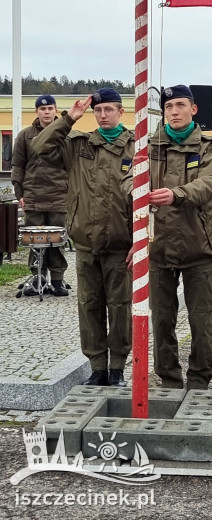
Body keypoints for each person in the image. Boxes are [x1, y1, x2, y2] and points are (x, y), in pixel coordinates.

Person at [125, 85, 212, 390]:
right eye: (169, 106)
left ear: (193, 110)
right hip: (157, 248)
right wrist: (137, 189)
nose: (174, 112)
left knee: (201, 320)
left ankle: (199, 382)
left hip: (198, 247)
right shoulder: (147, 146)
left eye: (181, 105)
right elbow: (126, 181)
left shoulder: (210, 147)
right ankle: (169, 380)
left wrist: (177, 194)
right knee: (161, 321)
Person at [32, 88, 134, 387]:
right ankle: (97, 366)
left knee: (119, 306)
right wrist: (69, 118)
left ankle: (117, 367)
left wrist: (140, 243)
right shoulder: (78, 144)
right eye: (98, 111)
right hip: (86, 242)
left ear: (120, 112)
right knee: (89, 306)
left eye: (109, 110)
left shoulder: (137, 146)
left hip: (120, 243)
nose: (103, 116)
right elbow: (39, 147)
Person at [11, 95, 69, 296]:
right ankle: (38, 277)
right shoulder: (25, 135)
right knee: (35, 240)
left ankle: (58, 280)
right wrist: (20, 193)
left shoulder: (65, 135)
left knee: (57, 240)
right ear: (37, 111)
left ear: (55, 110)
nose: (46, 112)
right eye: (42, 109)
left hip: (59, 196)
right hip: (33, 196)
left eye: (50, 108)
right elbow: (18, 165)